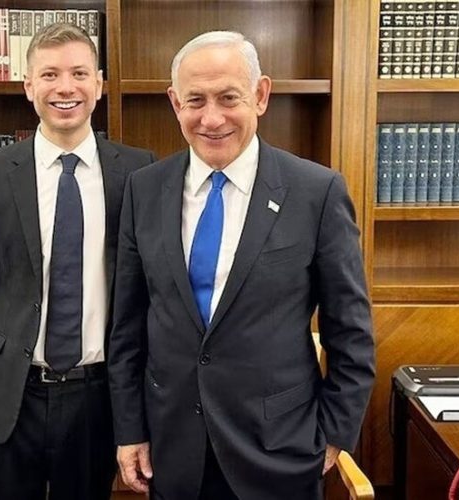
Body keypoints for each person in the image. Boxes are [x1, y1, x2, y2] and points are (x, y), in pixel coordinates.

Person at [108, 31, 375, 500]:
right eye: (195, 100)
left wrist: (333, 435)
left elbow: (350, 332)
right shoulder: (144, 189)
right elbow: (127, 326)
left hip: (282, 450)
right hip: (173, 449)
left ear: (260, 95)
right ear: (175, 103)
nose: (211, 118)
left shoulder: (316, 192)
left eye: (229, 98)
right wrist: (130, 430)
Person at [0, 23, 156, 500]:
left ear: (98, 85)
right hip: (9, 394)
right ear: (28, 86)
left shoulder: (138, 171)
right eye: (50, 74)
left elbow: (150, 291)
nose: (65, 87)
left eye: (79, 73)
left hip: (97, 397)